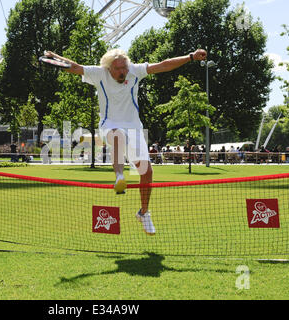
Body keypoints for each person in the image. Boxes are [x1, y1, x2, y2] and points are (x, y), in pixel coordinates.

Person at [44, 48, 207, 235]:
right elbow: (74, 67)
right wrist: (55, 58)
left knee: (147, 172)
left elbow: (164, 65)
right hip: (109, 124)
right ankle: (119, 177)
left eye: (124, 67)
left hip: (135, 128)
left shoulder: (134, 71)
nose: (122, 71)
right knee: (117, 135)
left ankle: (144, 213)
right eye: (118, 68)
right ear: (108, 68)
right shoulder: (99, 73)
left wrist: (191, 56)